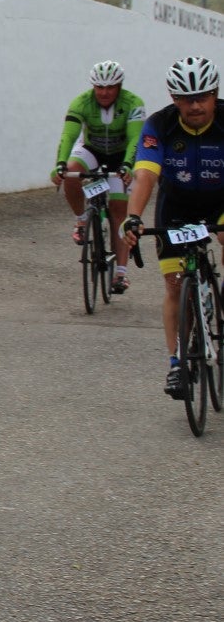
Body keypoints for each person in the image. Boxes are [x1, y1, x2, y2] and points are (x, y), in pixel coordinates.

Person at [121, 56, 224, 400]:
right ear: (174, 98)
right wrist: (133, 217)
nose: (195, 106)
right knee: (174, 284)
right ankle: (177, 362)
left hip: (220, 202)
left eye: (203, 97)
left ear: (215, 93)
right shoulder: (159, 125)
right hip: (176, 207)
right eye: (186, 99)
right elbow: (146, 175)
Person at [52, 60, 145, 292]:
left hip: (120, 155)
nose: (104, 92)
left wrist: (127, 166)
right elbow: (69, 134)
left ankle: (120, 274)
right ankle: (82, 219)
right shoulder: (81, 102)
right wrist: (60, 164)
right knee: (71, 173)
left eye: (110, 87)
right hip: (92, 150)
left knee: (118, 211)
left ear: (119, 85)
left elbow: (136, 139)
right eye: (99, 87)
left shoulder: (133, 103)